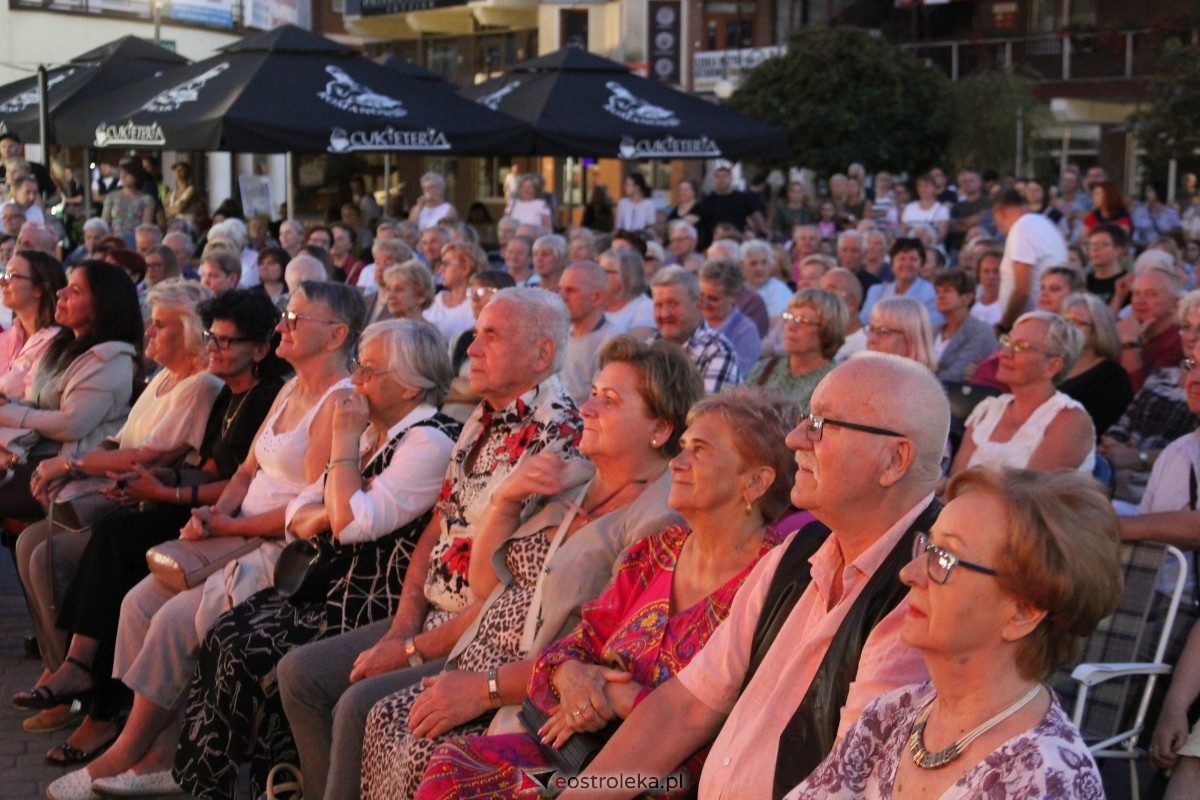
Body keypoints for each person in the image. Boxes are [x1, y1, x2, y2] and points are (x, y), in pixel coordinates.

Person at [552, 354, 946, 800]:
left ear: (895, 460)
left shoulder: (926, 588)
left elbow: (845, 783)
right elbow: (682, 710)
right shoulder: (800, 551)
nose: (797, 438)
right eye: (805, 420)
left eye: (822, 424)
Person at [44, 282, 362, 800]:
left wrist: (226, 525)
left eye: (295, 318)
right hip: (233, 534)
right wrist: (212, 511)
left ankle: (128, 751)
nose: (282, 324)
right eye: (285, 314)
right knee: (138, 602)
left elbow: (309, 508)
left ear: (336, 335)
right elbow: (242, 473)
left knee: (171, 620)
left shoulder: (338, 402)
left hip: (279, 553)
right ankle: (160, 747)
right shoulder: (288, 389)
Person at [359, 342, 717, 799]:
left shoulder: (658, 519)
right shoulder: (575, 478)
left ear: (659, 428)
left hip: (530, 695)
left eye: (609, 401)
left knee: (417, 747)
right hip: (475, 660)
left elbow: (608, 649)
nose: (586, 408)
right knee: (379, 718)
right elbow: (487, 587)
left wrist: (481, 688)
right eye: (592, 393)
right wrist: (506, 501)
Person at [276, 288, 586, 800]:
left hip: (483, 636)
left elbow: (506, 594)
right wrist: (402, 626)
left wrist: (412, 649)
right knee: (300, 674)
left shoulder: (558, 437)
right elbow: (439, 528)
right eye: (476, 331)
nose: (472, 348)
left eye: (492, 335)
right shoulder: (485, 414)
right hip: (431, 616)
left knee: (358, 704)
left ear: (542, 354)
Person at [413, 386, 795, 800]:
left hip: (666, 781)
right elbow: (580, 642)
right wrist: (572, 675)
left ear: (756, 482)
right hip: (581, 756)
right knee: (455, 767)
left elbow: (740, 729)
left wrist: (623, 697)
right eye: (681, 447)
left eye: (699, 450)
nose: (678, 462)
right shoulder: (659, 550)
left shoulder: (774, 581)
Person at [174, 321, 462, 799]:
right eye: (358, 366)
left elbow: (347, 523)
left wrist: (343, 448)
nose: (357, 381)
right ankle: (231, 782)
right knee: (226, 633)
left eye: (369, 369)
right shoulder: (378, 432)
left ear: (411, 385)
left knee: (247, 650)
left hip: (369, 599)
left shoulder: (428, 441)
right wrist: (331, 505)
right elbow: (302, 510)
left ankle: (283, 782)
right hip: (331, 583)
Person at [785, 466, 1120, 800]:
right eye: (927, 548)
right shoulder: (891, 714)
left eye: (944, 558)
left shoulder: (1046, 780)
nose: (908, 573)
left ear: (1022, 612)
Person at [0, 261, 141, 519]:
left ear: (103, 306)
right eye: (65, 286)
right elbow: (38, 405)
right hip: (29, 456)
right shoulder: (60, 347)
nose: (60, 294)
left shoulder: (109, 359)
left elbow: (71, 424)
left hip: (64, 471)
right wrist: (8, 403)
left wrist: (7, 411)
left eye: (74, 291)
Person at [951, 311, 1094, 476]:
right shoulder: (987, 411)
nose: (1004, 353)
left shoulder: (1069, 420)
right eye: (1007, 341)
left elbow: (1031, 496)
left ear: (1052, 366)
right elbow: (955, 483)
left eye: (1020, 347)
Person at [747, 288, 845, 414]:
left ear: (827, 329)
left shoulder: (835, 381)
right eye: (789, 316)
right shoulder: (764, 368)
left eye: (803, 320)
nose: (791, 327)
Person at [649, 266, 741, 394]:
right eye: (658, 305)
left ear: (698, 305)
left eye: (673, 304)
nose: (664, 314)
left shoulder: (717, 350)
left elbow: (708, 411)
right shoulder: (650, 345)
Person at [442, 270, 516, 423]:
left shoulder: (512, 339)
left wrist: (462, 387)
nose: (475, 298)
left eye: (483, 291)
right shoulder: (461, 339)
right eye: (472, 291)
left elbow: (496, 391)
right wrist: (471, 391)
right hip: (447, 422)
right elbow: (440, 386)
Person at [1058, 292, 1134, 438]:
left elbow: (1097, 428)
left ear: (1098, 331)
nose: (1069, 329)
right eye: (1066, 322)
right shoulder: (1051, 364)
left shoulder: (1112, 377)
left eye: (1078, 323)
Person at [991, 189, 1069, 332]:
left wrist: (1004, 325)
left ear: (1000, 212)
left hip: (1035, 325)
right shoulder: (1042, 223)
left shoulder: (1022, 228)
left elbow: (1022, 289)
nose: (997, 226)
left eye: (995, 220)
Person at [0, 250, 65, 399]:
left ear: (39, 289)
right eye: (3, 274)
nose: (2, 282)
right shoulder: (6, 338)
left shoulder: (57, 342)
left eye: (12, 276)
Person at [558, 261, 619, 404]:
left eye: (571, 290)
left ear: (596, 297)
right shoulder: (560, 334)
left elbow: (599, 403)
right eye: (560, 289)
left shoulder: (611, 344)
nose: (562, 297)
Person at [698, 259, 761, 376]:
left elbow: (739, 376)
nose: (704, 303)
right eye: (701, 295)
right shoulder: (692, 320)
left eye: (713, 298)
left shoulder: (745, 332)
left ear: (733, 296)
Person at [860, 237, 941, 327]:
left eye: (913, 259)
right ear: (892, 265)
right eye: (902, 259)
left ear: (921, 265)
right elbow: (864, 321)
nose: (907, 264)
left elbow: (932, 325)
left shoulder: (930, 293)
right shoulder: (876, 291)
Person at [422, 242, 479, 345]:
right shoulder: (437, 299)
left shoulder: (476, 303)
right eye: (441, 264)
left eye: (446, 264)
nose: (440, 270)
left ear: (465, 268)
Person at [865, 296, 937, 372]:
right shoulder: (860, 375)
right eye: (871, 329)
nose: (871, 339)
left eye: (883, 331)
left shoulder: (922, 383)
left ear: (910, 339)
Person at [600, 248, 655, 339]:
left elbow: (633, 348)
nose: (598, 275)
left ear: (626, 276)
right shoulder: (594, 303)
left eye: (605, 271)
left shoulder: (645, 307)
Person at [100, 157, 157, 247]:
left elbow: (146, 227)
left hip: (136, 242)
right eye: (121, 173)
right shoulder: (111, 197)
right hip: (114, 242)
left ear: (136, 175)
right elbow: (104, 223)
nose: (123, 176)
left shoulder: (146, 200)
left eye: (127, 173)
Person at [742, 240, 791, 321]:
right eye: (753, 264)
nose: (759, 268)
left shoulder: (779, 290)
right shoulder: (739, 289)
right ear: (742, 266)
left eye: (764, 263)